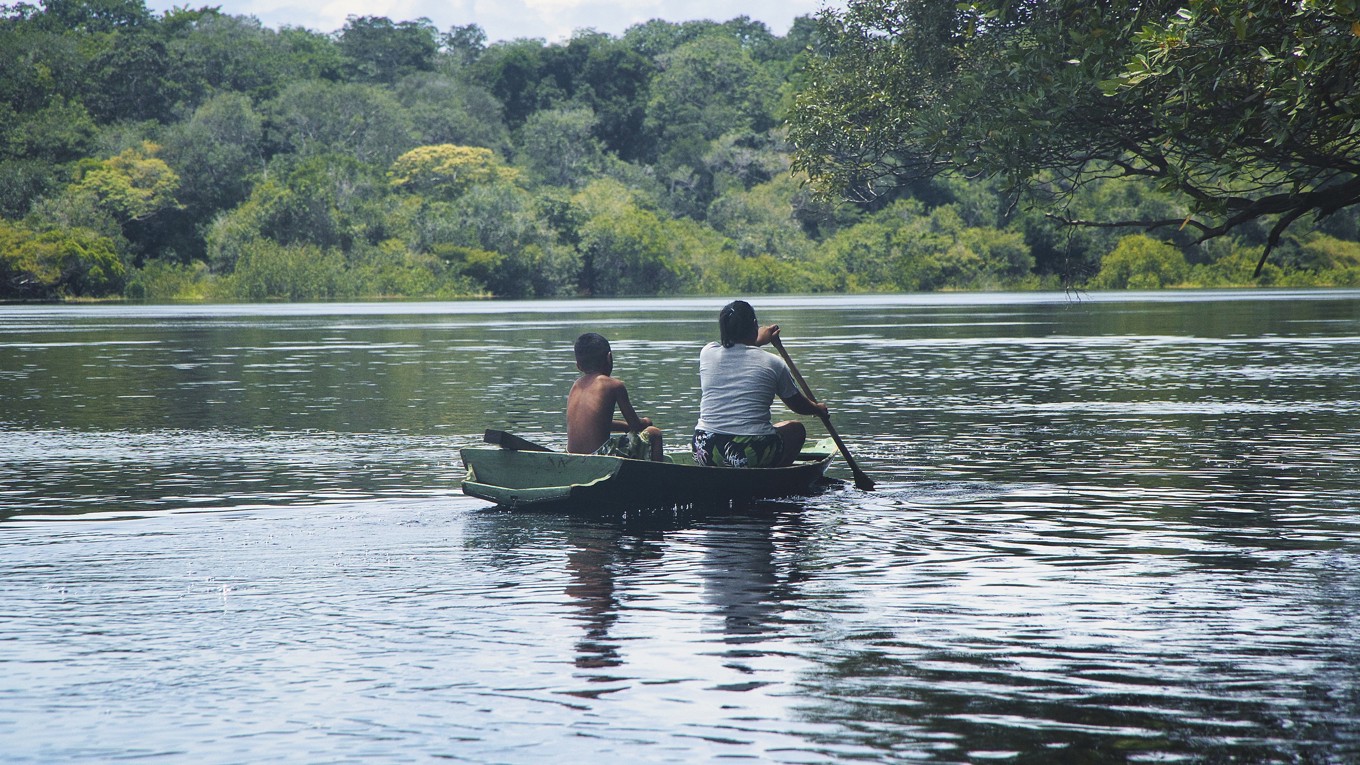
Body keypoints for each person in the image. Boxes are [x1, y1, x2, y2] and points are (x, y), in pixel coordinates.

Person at [692, 300, 828, 468]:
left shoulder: (707, 353)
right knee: (795, 430)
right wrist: (817, 408)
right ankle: (775, 479)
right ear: (754, 325)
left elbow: (738, 349)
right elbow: (798, 405)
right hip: (748, 454)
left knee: (775, 428)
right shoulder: (773, 363)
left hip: (704, 447)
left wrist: (756, 340)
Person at [566, 332, 664, 461]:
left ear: (578, 365)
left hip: (570, 456)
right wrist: (646, 421)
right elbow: (636, 425)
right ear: (609, 358)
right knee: (654, 433)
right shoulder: (614, 385)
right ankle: (659, 479)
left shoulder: (576, 386)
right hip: (599, 456)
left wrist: (625, 426)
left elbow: (598, 422)